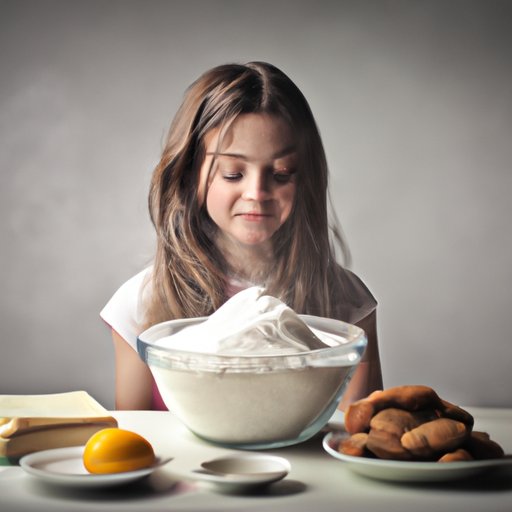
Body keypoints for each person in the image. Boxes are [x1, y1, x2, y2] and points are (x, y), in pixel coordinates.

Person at [100, 61, 383, 411]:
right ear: (191, 177)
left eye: (281, 173)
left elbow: (359, 435)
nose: (257, 192)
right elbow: (133, 441)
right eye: (233, 174)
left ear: (306, 178)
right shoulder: (139, 306)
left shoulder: (347, 305)